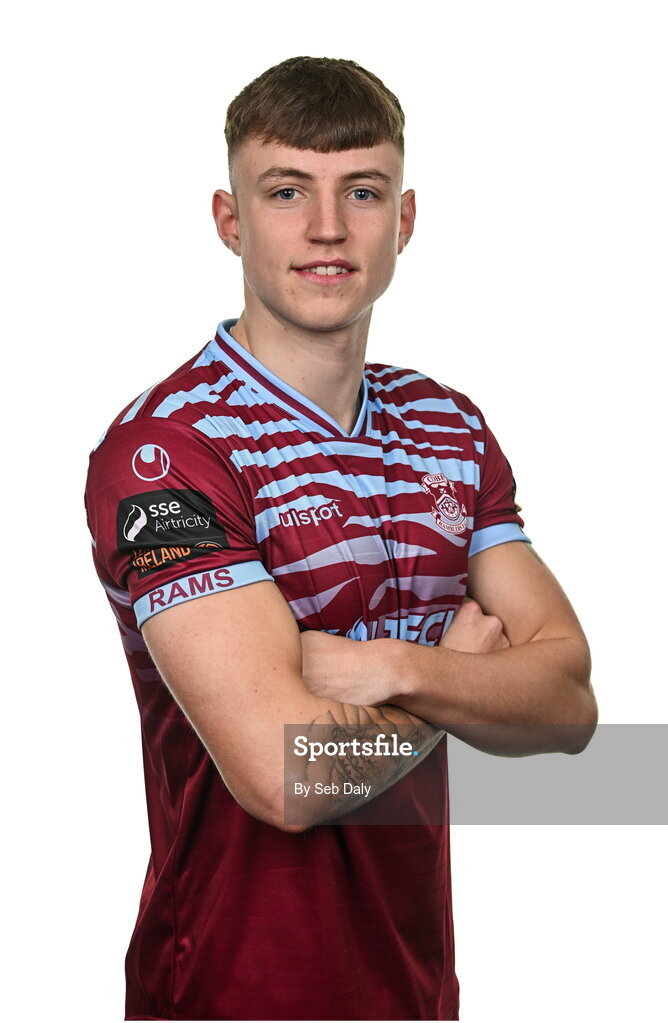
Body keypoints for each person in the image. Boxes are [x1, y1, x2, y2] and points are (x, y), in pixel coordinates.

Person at [84, 56, 598, 1021]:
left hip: (415, 987)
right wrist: (456, 683)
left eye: (362, 191)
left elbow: (567, 703)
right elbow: (286, 775)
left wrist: (392, 670)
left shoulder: (447, 423)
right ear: (230, 221)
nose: (328, 228)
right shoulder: (167, 450)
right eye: (287, 192)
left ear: (403, 220)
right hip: (231, 990)